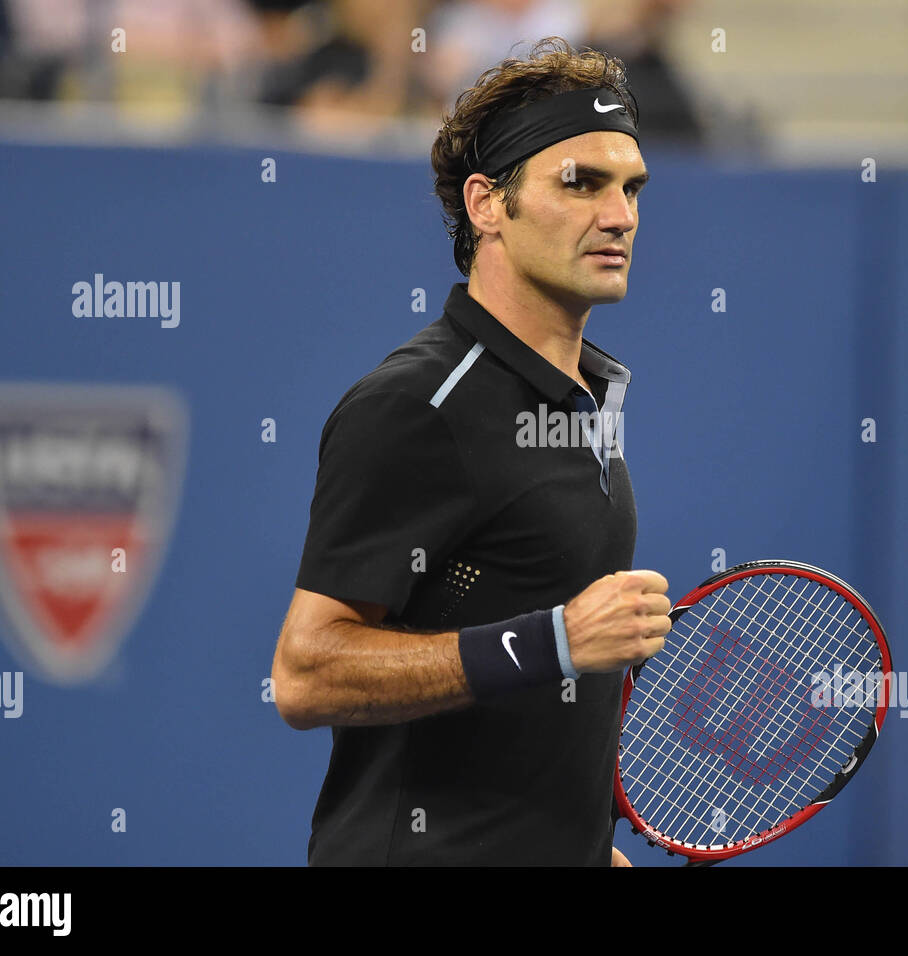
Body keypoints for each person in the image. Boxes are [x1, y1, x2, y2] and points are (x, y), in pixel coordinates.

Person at [271, 36, 671, 866]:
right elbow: (305, 675)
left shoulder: (588, 402)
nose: (620, 215)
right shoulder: (417, 406)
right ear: (488, 204)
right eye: (581, 183)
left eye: (630, 188)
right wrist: (552, 640)